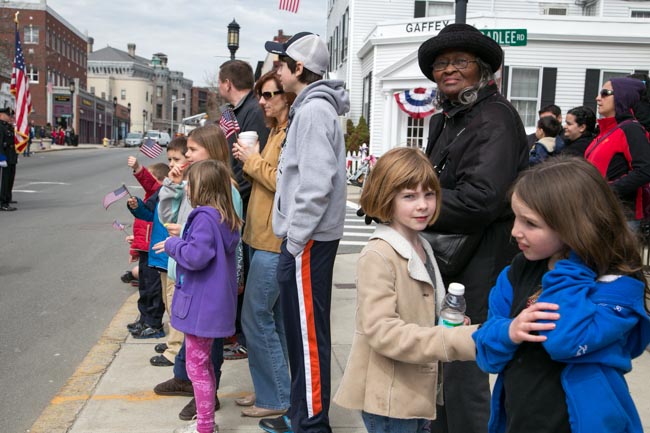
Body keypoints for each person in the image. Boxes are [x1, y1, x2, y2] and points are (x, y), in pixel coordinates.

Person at [473, 156, 650, 433]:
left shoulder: (617, 283)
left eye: (530, 223)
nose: (515, 231)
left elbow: (566, 341)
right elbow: (487, 355)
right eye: (515, 217)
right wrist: (510, 330)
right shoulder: (517, 271)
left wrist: (570, 266)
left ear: (574, 227)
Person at [417, 23, 529, 433]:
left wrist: (414, 206)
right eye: (441, 63)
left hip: (481, 259)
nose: (449, 70)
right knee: (444, 361)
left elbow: (483, 198)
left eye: (460, 62)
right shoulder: (445, 120)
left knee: (465, 366)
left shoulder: (494, 118)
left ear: (481, 70)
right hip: (449, 256)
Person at [333, 147, 479, 433]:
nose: (423, 205)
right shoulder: (379, 254)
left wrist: (447, 322)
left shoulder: (421, 245)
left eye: (429, 194)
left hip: (414, 393)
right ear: (386, 198)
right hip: (391, 399)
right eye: (409, 196)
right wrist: (449, 340)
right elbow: (383, 332)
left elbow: (422, 309)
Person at [259, 31, 349, 433]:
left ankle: (312, 425)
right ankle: (301, 415)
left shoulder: (313, 112)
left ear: (299, 68)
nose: (276, 70)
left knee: (308, 339)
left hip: (308, 242)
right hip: (307, 240)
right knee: (302, 336)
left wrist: (294, 241)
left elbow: (316, 184)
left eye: (281, 63)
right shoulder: (311, 108)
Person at [154, 124, 243, 421]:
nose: (186, 188)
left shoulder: (204, 217)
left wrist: (173, 244)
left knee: (199, 369)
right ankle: (204, 419)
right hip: (212, 305)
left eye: (190, 185)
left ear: (202, 188)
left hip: (203, 306)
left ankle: (204, 423)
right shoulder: (222, 215)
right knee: (201, 364)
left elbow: (196, 256)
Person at [230, 71, 295, 418]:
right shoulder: (273, 133)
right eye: (261, 95)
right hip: (259, 238)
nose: (264, 101)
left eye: (271, 94)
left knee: (255, 317)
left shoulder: (289, 135)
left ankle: (275, 397)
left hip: (274, 241)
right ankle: (273, 390)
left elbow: (283, 182)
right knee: (273, 320)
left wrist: (250, 161)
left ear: (288, 97)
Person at [217, 59, 271, 360]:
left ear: (227, 83)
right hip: (242, 201)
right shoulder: (237, 113)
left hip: (249, 205)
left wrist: (234, 199)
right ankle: (238, 335)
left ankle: (242, 339)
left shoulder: (252, 113)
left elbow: (250, 166)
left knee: (245, 276)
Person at [585, 77, 650, 227]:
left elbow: (645, 170)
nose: (598, 98)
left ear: (623, 96)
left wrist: (607, 191)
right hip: (596, 212)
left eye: (604, 93)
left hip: (619, 217)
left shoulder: (631, 129)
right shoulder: (604, 131)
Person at [125, 157, 166, 340]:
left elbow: (150, 182)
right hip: (144, 251)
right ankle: (144, 319)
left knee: (154, 290)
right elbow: (141, 231)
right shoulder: (148, 198)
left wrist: (138, 168)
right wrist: (134, 248)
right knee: (144, 288)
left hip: (154, 252)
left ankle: (154, 324)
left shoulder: (159, 192)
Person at [0, 107, 17, 212]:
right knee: (4, 181)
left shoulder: (7, 127)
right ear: (1, 115)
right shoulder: (1, 127)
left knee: (9, 179)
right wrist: (2, 158)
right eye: (8, 115)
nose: (10, 117)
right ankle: (3, 202)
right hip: (4, 157)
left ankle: (6, 198)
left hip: (10, 156)